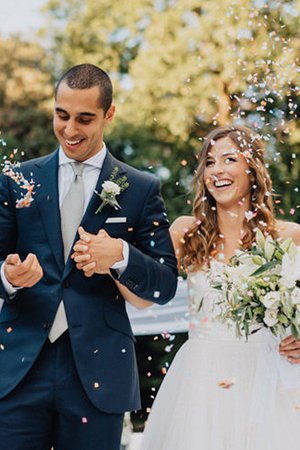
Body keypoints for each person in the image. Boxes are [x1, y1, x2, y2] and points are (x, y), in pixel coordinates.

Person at [0, 63, 178, 450]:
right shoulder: (17, 181)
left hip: (99, 376)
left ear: (109, 114)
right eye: (61, 115)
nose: (70, 129)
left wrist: (120, 256)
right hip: (18, 370)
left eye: (85, 118)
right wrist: (8, 276)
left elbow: (165, 283)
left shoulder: (141, 188)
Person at [109, 124, 299, 450]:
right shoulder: (187, 232)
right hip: (202, 381)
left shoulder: (288, 235)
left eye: (228, 159)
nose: (217, 170)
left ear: (252, 168)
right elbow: (143, 299)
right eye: (209, 162)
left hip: (269, 377)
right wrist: (114, 259)